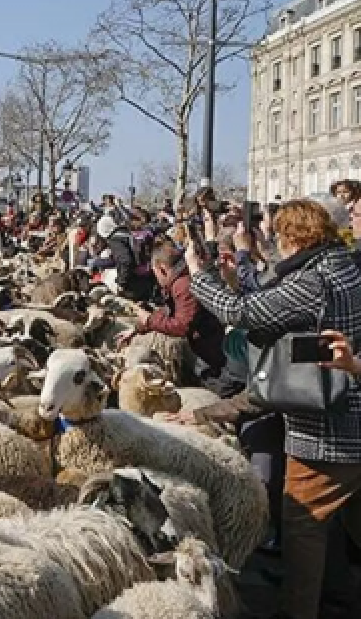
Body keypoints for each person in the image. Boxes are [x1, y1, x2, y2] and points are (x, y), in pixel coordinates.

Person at [187, 198, 361, 619]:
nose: (276, 243)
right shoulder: (344, 266)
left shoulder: (314, 280)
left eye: (280, 234)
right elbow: (271, 305)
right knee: (340, 525)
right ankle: (339, 600)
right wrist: (238, 268)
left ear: (294, 237)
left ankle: (298, 611)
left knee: (302, 528)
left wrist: (199, 273)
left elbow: (241, 312)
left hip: (326, 431)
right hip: (348, 415)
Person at [118, 243, 227, 379]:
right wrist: (138, 328)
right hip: (208, 345)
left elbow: (182, 325)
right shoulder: (180, 280)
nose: (156, 279)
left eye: (155, 273)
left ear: (162, 269)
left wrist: (150, 320)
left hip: (212, 349)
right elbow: (170, 310)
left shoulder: (183, 285)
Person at [97, 214, 153, 301]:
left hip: (133, 283)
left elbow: (125, 261)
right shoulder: (127, 233)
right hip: (146, 277)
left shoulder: (115, 239)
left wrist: (121, 283)